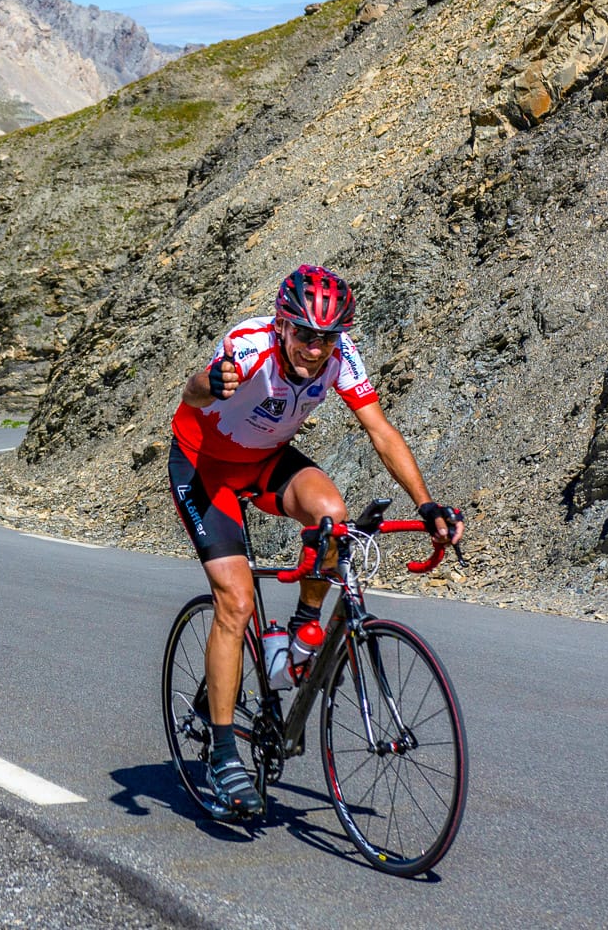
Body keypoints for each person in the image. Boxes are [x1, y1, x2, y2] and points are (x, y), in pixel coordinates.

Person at [168, 264, 464, 817]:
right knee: (236, 601)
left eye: (326, 337)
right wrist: (209, 383)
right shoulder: (248, 345)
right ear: (283, 325)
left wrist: (426, 504)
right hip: (203, 467)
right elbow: (191, 397)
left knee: (334, 516)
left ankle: (302, 637)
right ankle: (225, 753)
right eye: (304, 334)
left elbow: (380, 430)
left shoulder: (340, 358)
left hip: (265, 463)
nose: (314, 348)